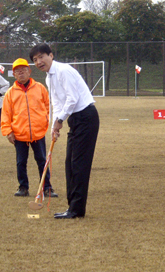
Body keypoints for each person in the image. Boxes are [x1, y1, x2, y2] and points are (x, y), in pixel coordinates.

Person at [30, 43, 99, 219]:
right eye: (35, 59)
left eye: (41, 57)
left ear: (50, 55)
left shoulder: (63, 71)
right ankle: (73, 207)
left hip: (86, 117)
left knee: (79, 166)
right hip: (75, 120)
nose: (39, 62)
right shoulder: (49, 78)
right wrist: (54, 126)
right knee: (70, 164)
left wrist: (60, 120)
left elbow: (72, 98)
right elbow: (57, 104)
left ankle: (76, 210)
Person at [1, 58, 58, 198]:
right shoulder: (10, 93)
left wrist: (45, 122)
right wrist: (8, 132)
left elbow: (47, 106)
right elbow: (6, 114)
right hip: (19, 134)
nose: (21, 73)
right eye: (17, 71)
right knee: (21, 162)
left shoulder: (40, 88)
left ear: (29, 71)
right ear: (14, 74)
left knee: (42, 160)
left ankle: (47, 188)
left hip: (38, 133)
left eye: (23, 70)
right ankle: (23, 187)